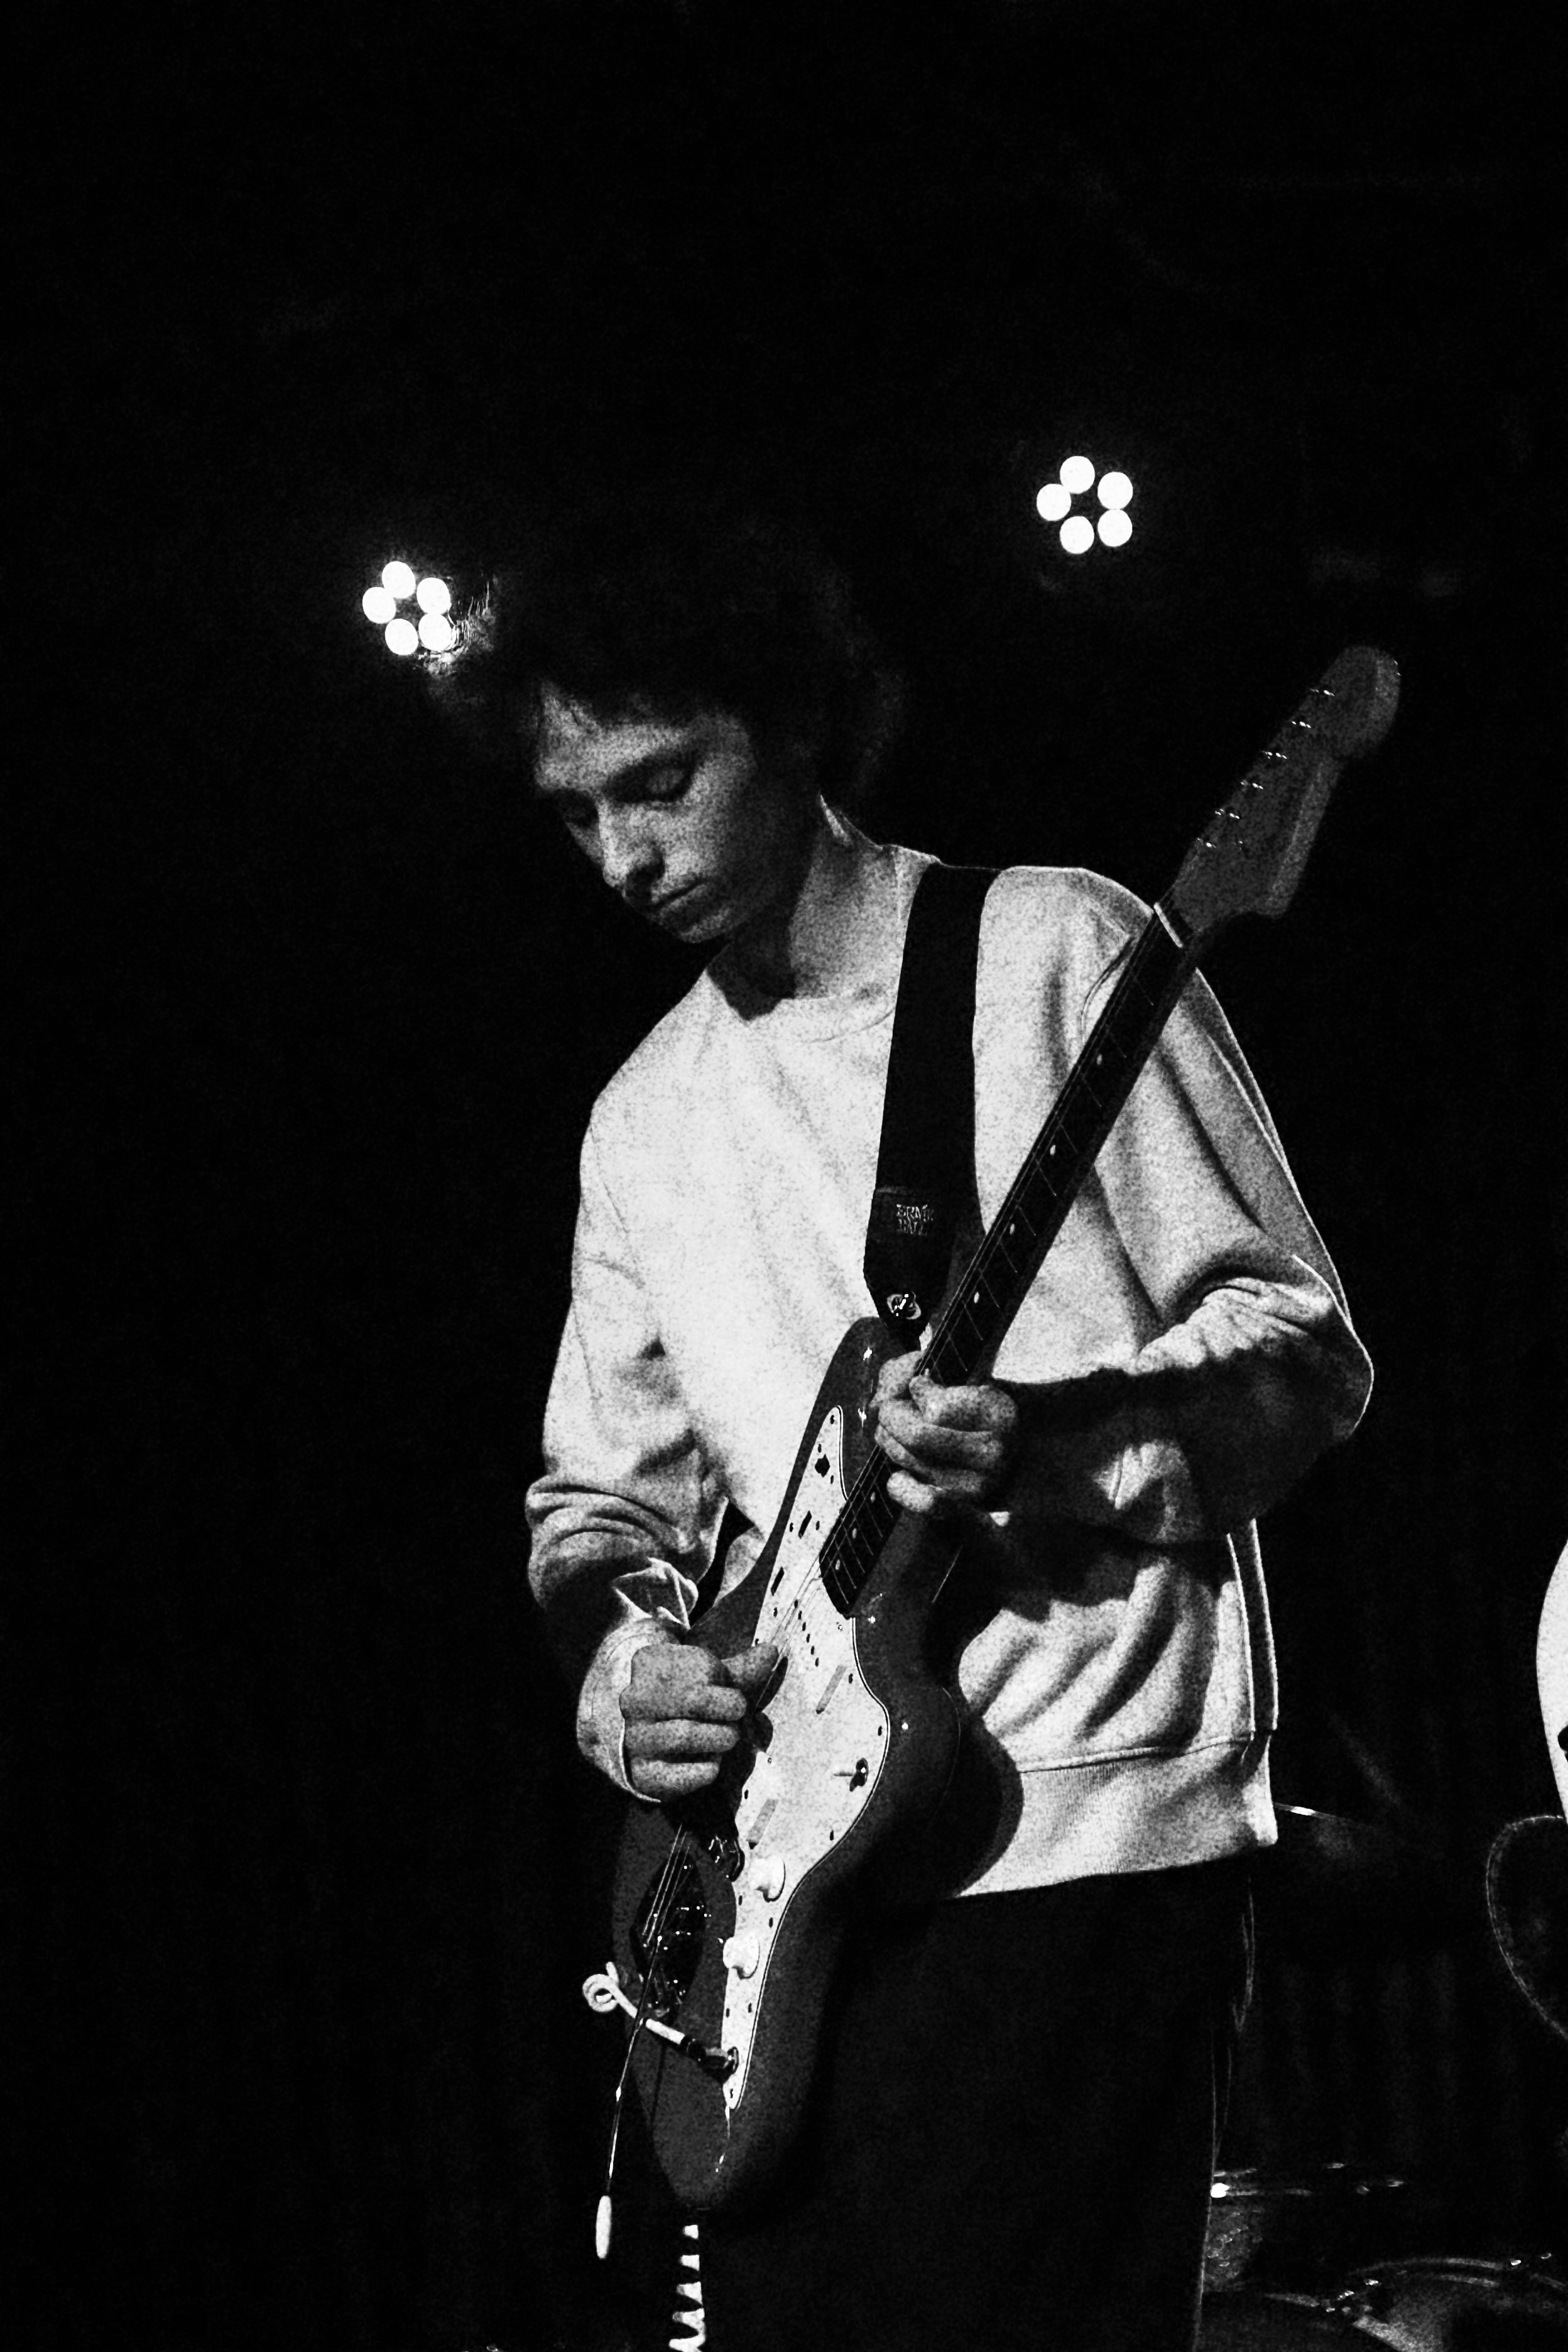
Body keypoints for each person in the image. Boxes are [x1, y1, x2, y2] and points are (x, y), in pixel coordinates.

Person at [435, 494, 1374, 2351]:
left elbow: (1303, 1352)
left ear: (789, 726)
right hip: (793, 1879)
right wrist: (628, 1674)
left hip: (1078, 1816)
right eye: (575, 813)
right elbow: (590, 1511)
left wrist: (1051, 1442)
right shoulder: (643, 1120)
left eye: (660, 779)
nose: (622, 856)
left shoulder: (1046, 953)